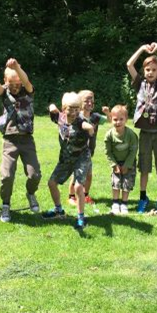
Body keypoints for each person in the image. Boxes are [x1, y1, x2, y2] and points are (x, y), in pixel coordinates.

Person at [0, 58, 41, 222]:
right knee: (7, 176)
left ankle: (31, 194)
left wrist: (17, 67)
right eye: (12, 83)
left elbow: (26, 81)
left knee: (35, 175)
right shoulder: (4, 92)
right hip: (10, 140)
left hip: (27, 140)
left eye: (18, 83)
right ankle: (6, 204)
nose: (16, 87)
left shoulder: (27, 91)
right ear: (6, 81)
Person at [126, 42, 157, 214]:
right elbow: (129, 64)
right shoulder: (139, 83)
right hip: (145, 133)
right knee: (144, 167)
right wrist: (141, 49)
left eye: (154, 70)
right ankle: (143, 197)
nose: (150, 72)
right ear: (144, 71)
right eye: (147, 70)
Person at [42, 92, 94, 229]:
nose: (74, 112)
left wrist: (89, 128)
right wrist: (52, 107)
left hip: (81, 157)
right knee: (52, 183)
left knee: (78, 187)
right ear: (64, 108)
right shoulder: (60, 117)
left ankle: (81, 218)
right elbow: (52, 109)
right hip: (66, 157)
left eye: (77, 109)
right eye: (71, 109)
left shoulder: (80, 120)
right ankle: (58, 210)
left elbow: (84, 125)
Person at [67, 90, 109, 206]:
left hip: (89, 152)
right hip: (77, 151)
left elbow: (110, 120)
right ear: (79, 102)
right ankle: (71, 196)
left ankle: (85, 195)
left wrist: (107, 113)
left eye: (92, 100)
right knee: (76, 175)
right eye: (86, 101)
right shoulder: (77, 117)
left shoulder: (95, 117)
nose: (90, 103)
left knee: (89, 175)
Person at [104, 105, 139, 215]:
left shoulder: (131, 135)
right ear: (111, 119)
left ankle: (124, 203)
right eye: (115, 119)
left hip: (129, 162)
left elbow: (133, 150)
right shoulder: (109, 135)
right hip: (116, 162)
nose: (118, 122)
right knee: (116, 182)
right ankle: (115, 203)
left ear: (126, 120)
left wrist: (127, 165)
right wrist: (114, 165)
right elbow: (108, 152)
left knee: (126, 183)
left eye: (121, 119)